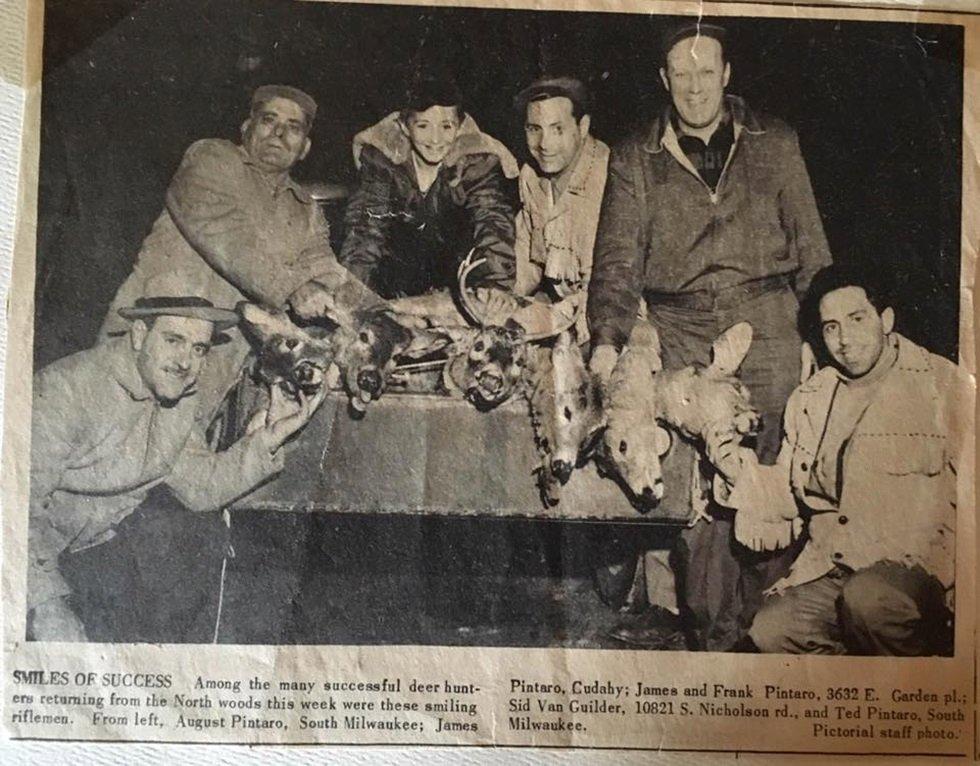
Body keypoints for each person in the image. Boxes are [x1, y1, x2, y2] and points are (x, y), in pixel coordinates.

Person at [587, 21, 833, 650]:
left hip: (769, 310)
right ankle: (707, 619)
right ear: (664, 80)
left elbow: (811, 246)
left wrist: (815, 331)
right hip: (681, 320)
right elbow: (616, 261)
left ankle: (759, 618)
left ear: (727, 74)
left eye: (706, 71)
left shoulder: (776, 141)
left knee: (773, 451)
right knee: (696, 468)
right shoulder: (633, 156)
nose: (694, 87)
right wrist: (607, 342)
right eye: (681, 73)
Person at [29, 295, 326, 642]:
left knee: (194, 539)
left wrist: (268, 438)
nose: (185, 362)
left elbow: (199, 488)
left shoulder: (179, 400)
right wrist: (46, 604)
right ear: (140, 335)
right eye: (173, 341)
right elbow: (12, 508)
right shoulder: (68, 389)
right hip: (27, 557)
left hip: (88, 553)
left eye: (199, 349)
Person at [100, 85, 381, 421]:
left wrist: (384, 314)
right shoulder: (211, 160)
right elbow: (226, 233)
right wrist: (291, 286)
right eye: (268, 120)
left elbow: (326, 272)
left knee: (179, 458)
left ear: (305, 147)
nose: (279, 133)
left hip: (214, 363)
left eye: (293, 128)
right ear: (247, 128)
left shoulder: (304, 209)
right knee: (105, 441)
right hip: (149, 341)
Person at [719, 266, 960, 655]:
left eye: (857, 319)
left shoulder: (943, 385)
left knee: (869, 601)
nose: (844, 339)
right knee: (771, 631)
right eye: (831, 327)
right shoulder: (811, 399)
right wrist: (733, 468)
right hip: (834, 566)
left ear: (886, 319)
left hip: (917, 570)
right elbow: (786, 494)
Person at [339, 75, 519, 299]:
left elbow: (493, 221)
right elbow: (366, 228)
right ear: (405, 127)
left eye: (446, 126)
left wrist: (497, 286)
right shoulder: (383, 161)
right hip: (393, 277)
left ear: (460, 126)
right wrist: (353, 290)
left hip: (455, 280)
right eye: (423, 125)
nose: (435, 139)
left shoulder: (475, 162)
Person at [512, 76, 609, 341]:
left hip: (612, 318)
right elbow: (529, 262)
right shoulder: (532, 177)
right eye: (534, 129)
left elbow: (610, 287)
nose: (545, 144)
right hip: (562, 310)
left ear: (583, 126)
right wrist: (502, 296)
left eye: (557, 129)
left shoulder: (609, 177)